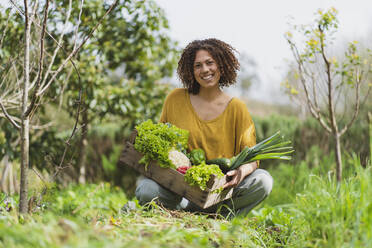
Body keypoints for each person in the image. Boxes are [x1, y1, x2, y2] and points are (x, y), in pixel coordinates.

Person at [135, 38, 273, 218]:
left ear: (221, 66)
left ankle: (223, 217)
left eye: (210, 63)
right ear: (191, 71)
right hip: (180, 194)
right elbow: (163, 143)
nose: (205, 70)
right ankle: (181, 214)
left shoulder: (237, 108)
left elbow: (252, 158)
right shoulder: (175, 99)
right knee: (146, 189)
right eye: (198, 65)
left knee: (263, 181)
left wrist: (242, 171)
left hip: (221, 194)